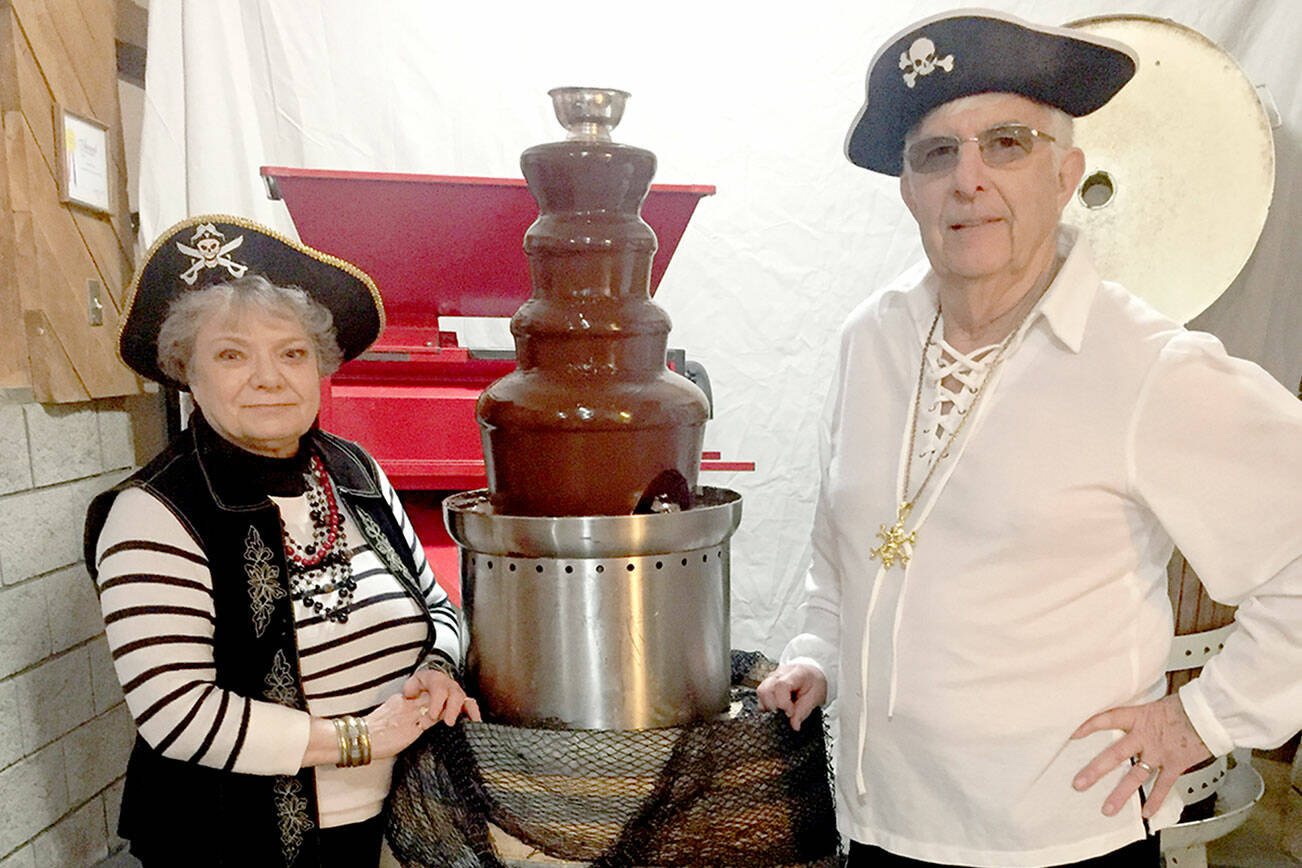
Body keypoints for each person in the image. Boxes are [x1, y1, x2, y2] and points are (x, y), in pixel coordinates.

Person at [757, 10, 1302, 867]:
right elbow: (848, 550)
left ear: (1066, 174)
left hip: (1061, 844)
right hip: (879, 827)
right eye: (937, 153)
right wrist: (819, 653)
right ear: (908, 187)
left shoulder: (1146, 367)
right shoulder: (870, 340)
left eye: (1006, 144)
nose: (968, 178)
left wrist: (1204, 719)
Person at [84, 215, 479, 868]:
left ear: (318, 364)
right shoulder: (152, 511)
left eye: (291, 352)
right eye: (232, 354)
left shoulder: (355, 471)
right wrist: (360, 738)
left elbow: (438, 607)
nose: (269, 377)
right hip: (234, 842)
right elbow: (178, 713)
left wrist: (437, 669)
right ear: (187, 370)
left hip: (397, 825)